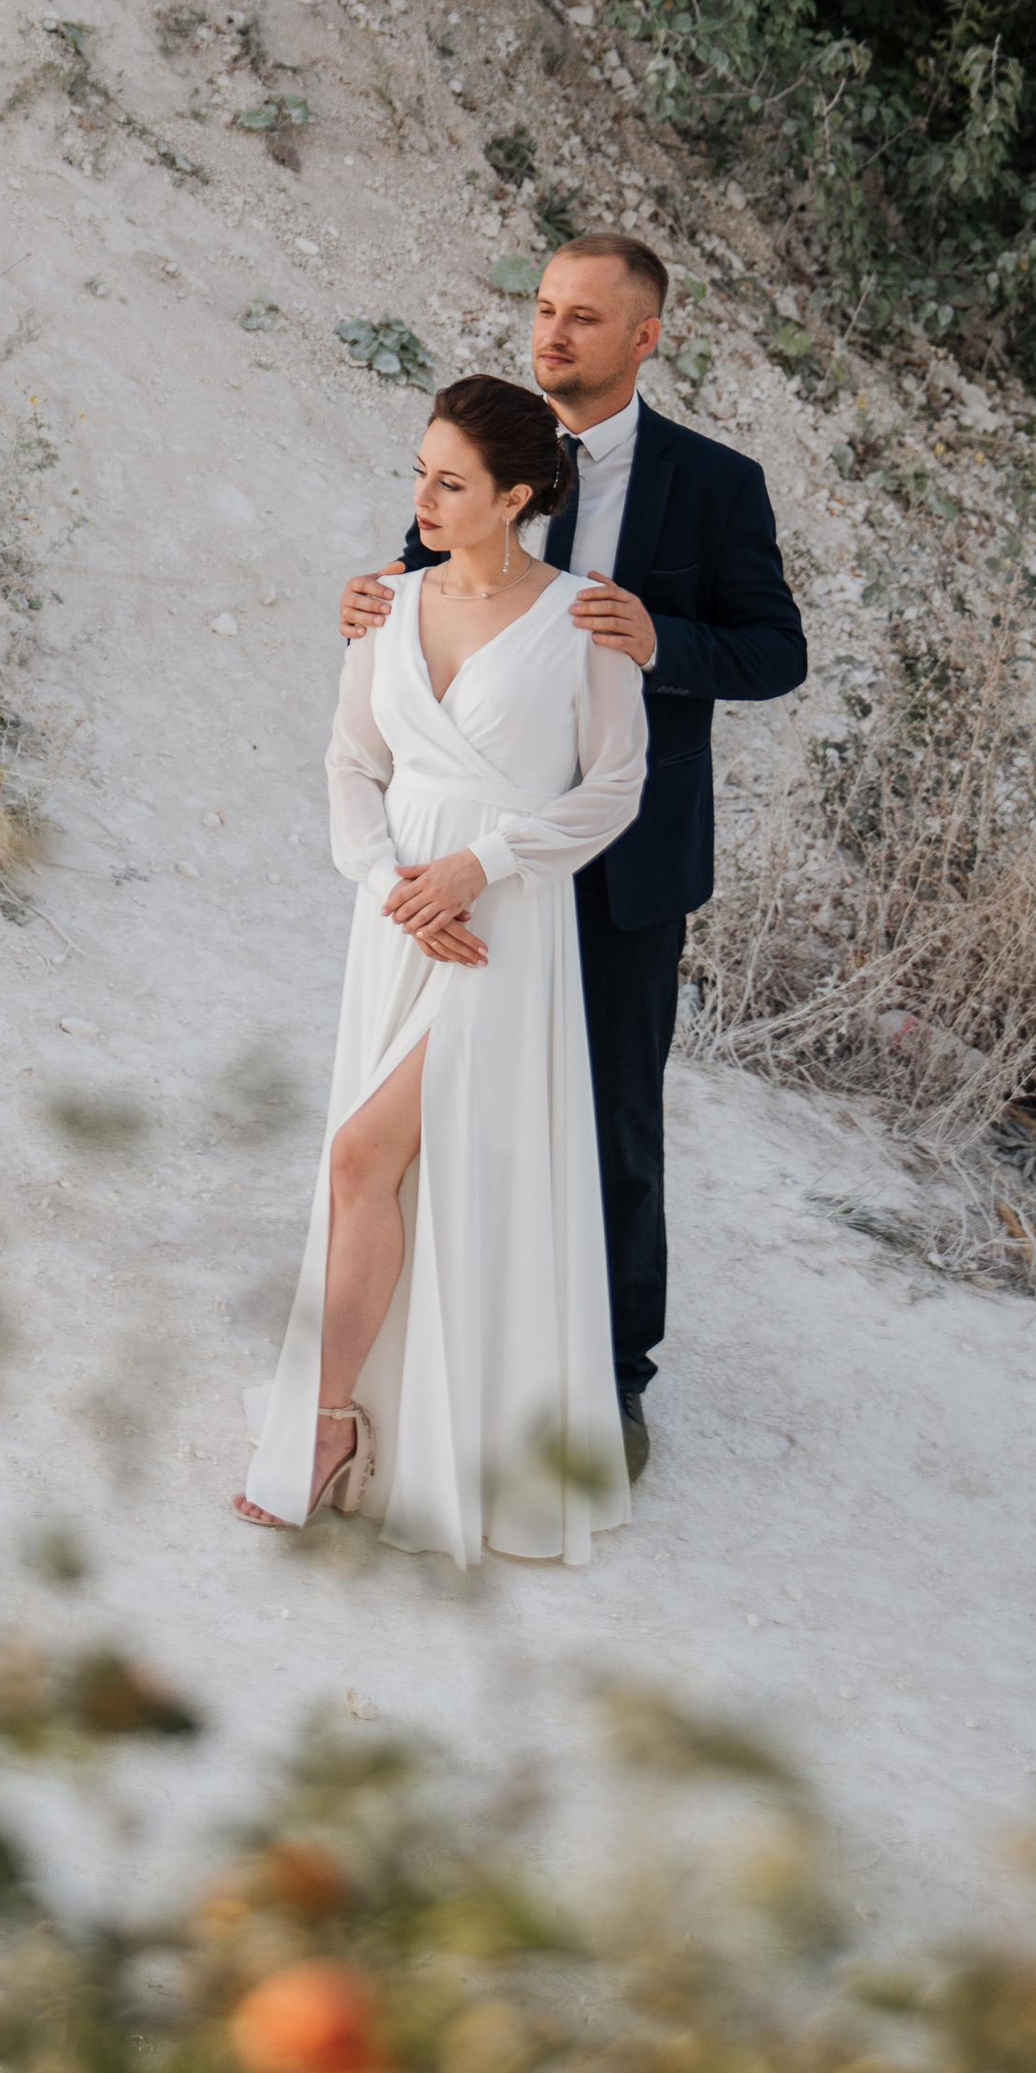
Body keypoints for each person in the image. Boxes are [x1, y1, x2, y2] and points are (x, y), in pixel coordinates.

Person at [338, 237, 806, 1479]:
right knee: (447, 1107)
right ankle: (468, 1354)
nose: (552, 335)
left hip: (624, 857)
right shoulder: (490, 448)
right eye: (544, 310)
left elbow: (776, 653)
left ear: (642, 338)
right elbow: (435, 576)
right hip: (466, 860)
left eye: (584, 319)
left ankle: (612, 1377)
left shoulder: (714, 485)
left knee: (609, 1118)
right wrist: (372, 604)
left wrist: (664, 640)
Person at [236, 375, 647, 1567]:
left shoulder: (584, 619)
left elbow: (616, 786)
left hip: (500, 928)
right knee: (388, 1172)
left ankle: (322, 1430)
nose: (421, 496)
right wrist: (387, 884)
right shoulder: (389, 606)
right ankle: (360, 1424)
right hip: (397, 923)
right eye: (418, 471)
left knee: (365, 1153)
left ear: (516, 496)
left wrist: (484, 863)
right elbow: (349, 766)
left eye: (450, 481)